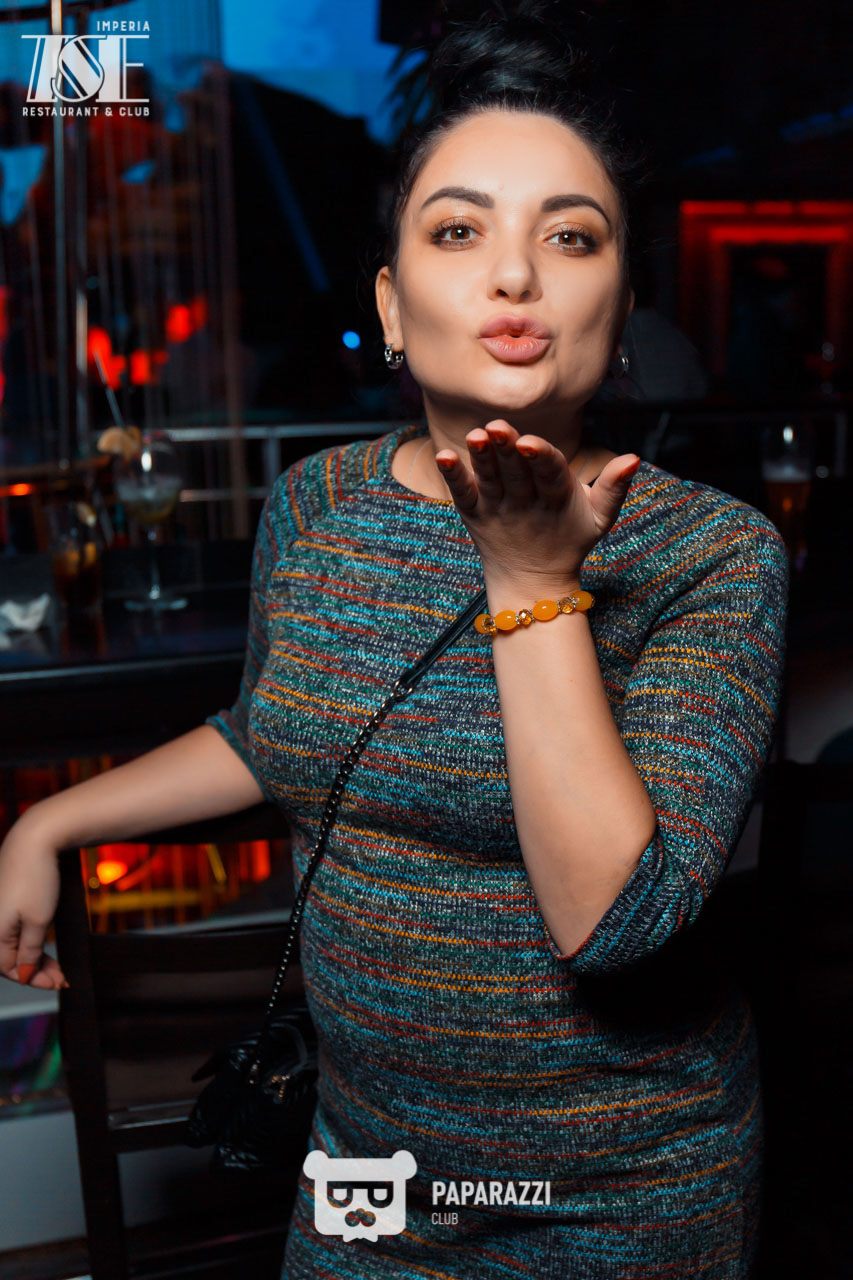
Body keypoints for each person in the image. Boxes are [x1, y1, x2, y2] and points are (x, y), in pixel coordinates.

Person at [0, 13, 788, 1279]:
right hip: (367, 1165)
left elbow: (619, 920)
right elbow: (277, 730)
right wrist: (49, 821)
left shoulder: (713, 552)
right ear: (391, 302)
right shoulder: (315, 502)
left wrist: (531, 581)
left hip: (622, 1194)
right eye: (458, 230)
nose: (514, 275)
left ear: (623, 305)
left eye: (570, 236)